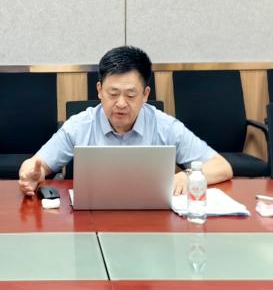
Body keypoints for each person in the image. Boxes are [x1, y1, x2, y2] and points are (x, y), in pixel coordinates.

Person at [18, 46, 232, 196]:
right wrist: (31, 174)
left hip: (152, 223)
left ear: (145, 94)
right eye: (113, 94)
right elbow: (36, 164)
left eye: (130, 95)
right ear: (99, 90)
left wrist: (188, 176)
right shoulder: (79, 125)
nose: (121, 103)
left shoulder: (165, 126)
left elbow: (222, 167)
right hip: (90, 220)